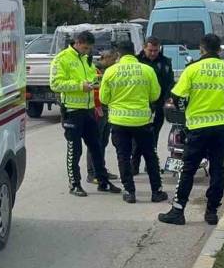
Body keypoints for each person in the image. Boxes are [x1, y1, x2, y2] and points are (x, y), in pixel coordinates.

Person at [159, 34, 224, 226]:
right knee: (217, 169)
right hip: (221, 128)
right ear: (220, 50)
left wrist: (184, 110)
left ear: (201, 49)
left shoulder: (192, 69)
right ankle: (212, 212)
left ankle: (178, 211)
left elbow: (176, 96)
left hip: (197, 128)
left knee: (188, 170)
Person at [50, 31, 122, 196]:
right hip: (72, 110)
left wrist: (97, 83)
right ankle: (74, 184)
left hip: (89, 109)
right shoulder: (62, 58)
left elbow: (91, 78)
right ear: (77, 42)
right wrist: (80, 86)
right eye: (85, 48)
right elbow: (55, 84)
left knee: (96, 147)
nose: (87, 51)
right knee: (74, 150)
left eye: (89, 48)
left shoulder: (86, 59)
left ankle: (102, 181)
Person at [100, 39, 167, 204]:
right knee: (150, 156)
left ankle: (129, 192)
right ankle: (156, 191)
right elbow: (155, 95)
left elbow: (103, 98)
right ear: (135, 52)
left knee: (123, 156)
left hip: (119, 121)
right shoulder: (147, 70)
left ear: (118, 54)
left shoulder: (110, 71)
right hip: (142, 121)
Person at [132, 37, 174, 174]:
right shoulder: (136, 61)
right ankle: (134, 165)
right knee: (138, 137)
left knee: (153, 135)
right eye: (150, 50)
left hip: (159, 105)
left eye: (156, 50)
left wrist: (167, 100)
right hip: (141, 104)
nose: (153, 53)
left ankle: (150, 165)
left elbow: (169, 83)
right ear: (144, 48)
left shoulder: (165, 62)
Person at [87, 50, 119, 184]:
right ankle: (92, 173)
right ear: (105, 58)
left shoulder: (106, 71)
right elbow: (96, 91)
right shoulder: (95, 71)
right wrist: (98, 107)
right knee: (95, 141)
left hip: (107, 109)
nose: (114, 62)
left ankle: (101, 169)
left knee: (103, 141)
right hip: (98, 109)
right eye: (113, 60)